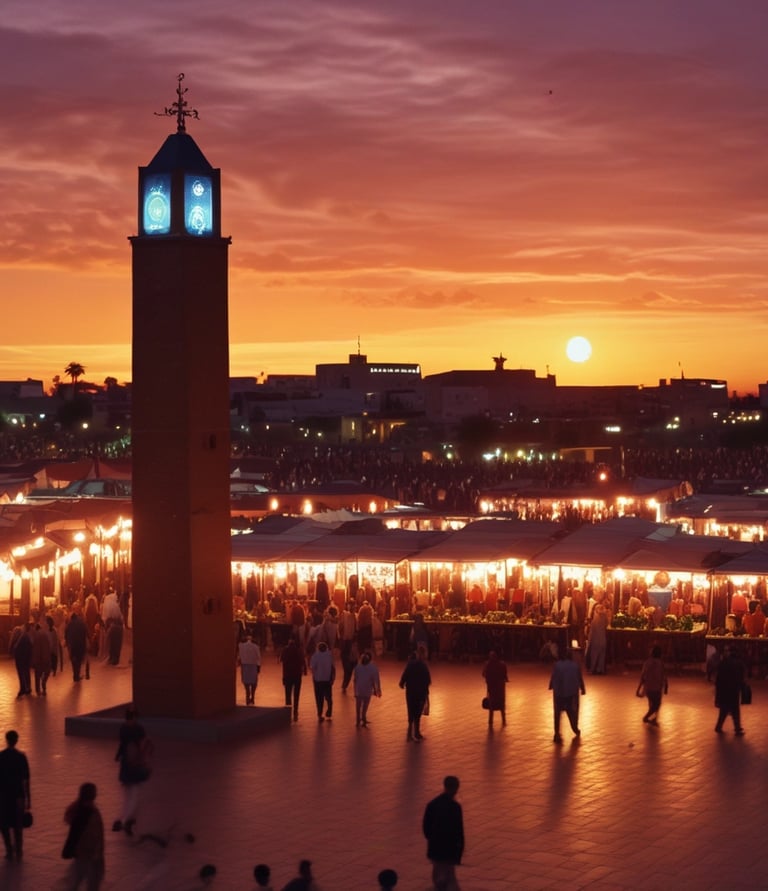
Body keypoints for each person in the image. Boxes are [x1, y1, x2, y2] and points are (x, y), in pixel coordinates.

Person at [113, 707, 153, 836]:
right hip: (135, 765)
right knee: (134, 795)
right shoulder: (138, 729)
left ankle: (125, 819)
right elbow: (144, 745)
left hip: (126, 765)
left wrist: (118, 756)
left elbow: (122, 745)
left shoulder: (123, 729)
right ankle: (126, 821)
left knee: (127, 795)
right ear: (135, 717)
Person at [422, 775, 464, 891]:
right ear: (456, 788)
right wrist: (459, 849)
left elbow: (426, 827)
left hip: (436, 845)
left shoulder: (432, 804)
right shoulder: (455, 807)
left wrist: (431, 838)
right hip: (450, 846)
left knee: (437, 870)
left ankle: (438, 887)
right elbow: (459, 830)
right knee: (450, 873)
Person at [62, 781, 105, 890]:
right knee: (92, 883)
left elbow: (73, 834)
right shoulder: (90, 813)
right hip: (90, 855)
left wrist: (68, 850)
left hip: (81, 853)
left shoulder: (79, 810)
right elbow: (95, 835)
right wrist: (97, 855)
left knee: (75, 880)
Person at [0, 730, 30, 862]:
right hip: (18, 795)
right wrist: (28, 799)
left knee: (4, 823)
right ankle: (19, 850)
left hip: (3, 796)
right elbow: (26, 779)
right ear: (16, 740)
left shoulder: (1, 756)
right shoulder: (21, 757)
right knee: (18, 824)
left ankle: (9, 850)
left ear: (6, 740)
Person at [549, 646, 586, 743]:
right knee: (570, 712)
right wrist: (582, 688)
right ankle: (575, 728)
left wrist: (551, 685)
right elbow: (579, 678)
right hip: (570, 692)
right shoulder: (575, 666)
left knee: (557, 714)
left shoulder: (557, 665)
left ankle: (556, 733)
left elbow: (553, 677)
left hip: (559, 692)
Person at [399, 645, 431, 741]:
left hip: (410, 691)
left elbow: (405, 675)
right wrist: (426, 692)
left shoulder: (411, 664)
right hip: (420, 693)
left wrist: (402, 683)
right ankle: (416, 732)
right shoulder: (424, 667)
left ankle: (410, 729)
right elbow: (428, 681)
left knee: (410, 708)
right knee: (417, 712)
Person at [714, 644, 746, 735]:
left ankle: (719, 726)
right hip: (734, 689)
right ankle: (737, 728)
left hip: (724, 689)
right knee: (735, 709)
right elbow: (741, 677)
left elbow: (719, 678)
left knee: (724, 709)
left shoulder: (723, 663)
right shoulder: (739, 663)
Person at [638, 644, 668, 725]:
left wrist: (639, 688)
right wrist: (665, 687)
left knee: (652, 703)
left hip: (648, 687)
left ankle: (653, 718)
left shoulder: (648, 662)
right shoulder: (661, 663)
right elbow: (664, 675)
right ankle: (647, 717)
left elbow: (643, 675)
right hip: (657, 687)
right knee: (657, 704)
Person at [281, 637, 307, 722]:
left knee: (287, 695)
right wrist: (304, 671)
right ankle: (295, 712)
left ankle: (288, 712)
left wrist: (283, 677)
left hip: (288, 675)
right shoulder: (299, 651)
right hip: (297, 676)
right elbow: (303, 662)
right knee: (296, 695)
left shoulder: (285, 650)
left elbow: (283, 662)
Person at [353, 650, 382, 728]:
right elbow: (376, 680)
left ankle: (358, 720)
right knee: (365, 705)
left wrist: (354, 690)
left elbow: (355, 679)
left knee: (358, 706)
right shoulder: (373, 668)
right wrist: (378, 690)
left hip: (359, 689)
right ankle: (363, 717)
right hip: (367, 689)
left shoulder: (357, 667)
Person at [482, 649, 508, 729]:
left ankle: (491, 722)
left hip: (492, 687)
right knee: (501, 704)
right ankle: (503, 721)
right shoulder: (503, 665)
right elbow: (505, 676)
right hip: (500, 688)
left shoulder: (488, 664)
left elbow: (483, 674)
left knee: (492, 705)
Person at [309, 640, 335, 721]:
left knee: (319, 698)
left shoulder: (315, 656)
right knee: (329, 697)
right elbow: (332, 667)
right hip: (327, 680)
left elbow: (312, 668)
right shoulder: (329, 655)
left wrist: (314, 675)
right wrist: (333, 678)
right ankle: (329, 711)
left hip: (318, 680)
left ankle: (320, 714)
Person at [238, 632, 262, 705]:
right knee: (253, 683)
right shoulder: (256, 647)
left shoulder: (241, 646)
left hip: (245, 666)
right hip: (253, 666)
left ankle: (247, 696)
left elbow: (239, 657)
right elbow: (258, 658)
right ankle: (252, 697)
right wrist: (258, 667)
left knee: (246, 683)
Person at [65, 608, 89, 683]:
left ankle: (75, 674)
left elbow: (66, 634)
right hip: (81, 644)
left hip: (73, 645)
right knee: (79, 660)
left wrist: (67, 642)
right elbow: (86, 632)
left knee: (74, 660)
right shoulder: (81, 623)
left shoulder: (70, 624)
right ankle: (77, 675)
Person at [10, 623, 33, 698]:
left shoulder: (18, 632)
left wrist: (11, 650)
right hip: (27, 656)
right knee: (26, 671)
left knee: (20, 672)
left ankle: (23, 688)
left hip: (19, 656)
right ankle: (28, 687)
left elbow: (13, 644)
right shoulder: (27, 636)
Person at [586, 603, 608, 674]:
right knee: (602, 656)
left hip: (595, 641)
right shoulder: (605, 618)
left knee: (594, 656)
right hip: (603, 640)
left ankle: (593, 669)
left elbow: (592, 633)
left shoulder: (595, 620)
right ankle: (600, 669)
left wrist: (589, 641)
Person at [31, 622, 52, 696]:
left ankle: (38, 691)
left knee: (37, 675)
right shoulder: (45, 634)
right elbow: (49, 646)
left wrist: (34, 661)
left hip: (39, 659)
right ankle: (44, 686)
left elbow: (35, 650)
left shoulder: (36, 635)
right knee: (46, 672)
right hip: (46, 658)